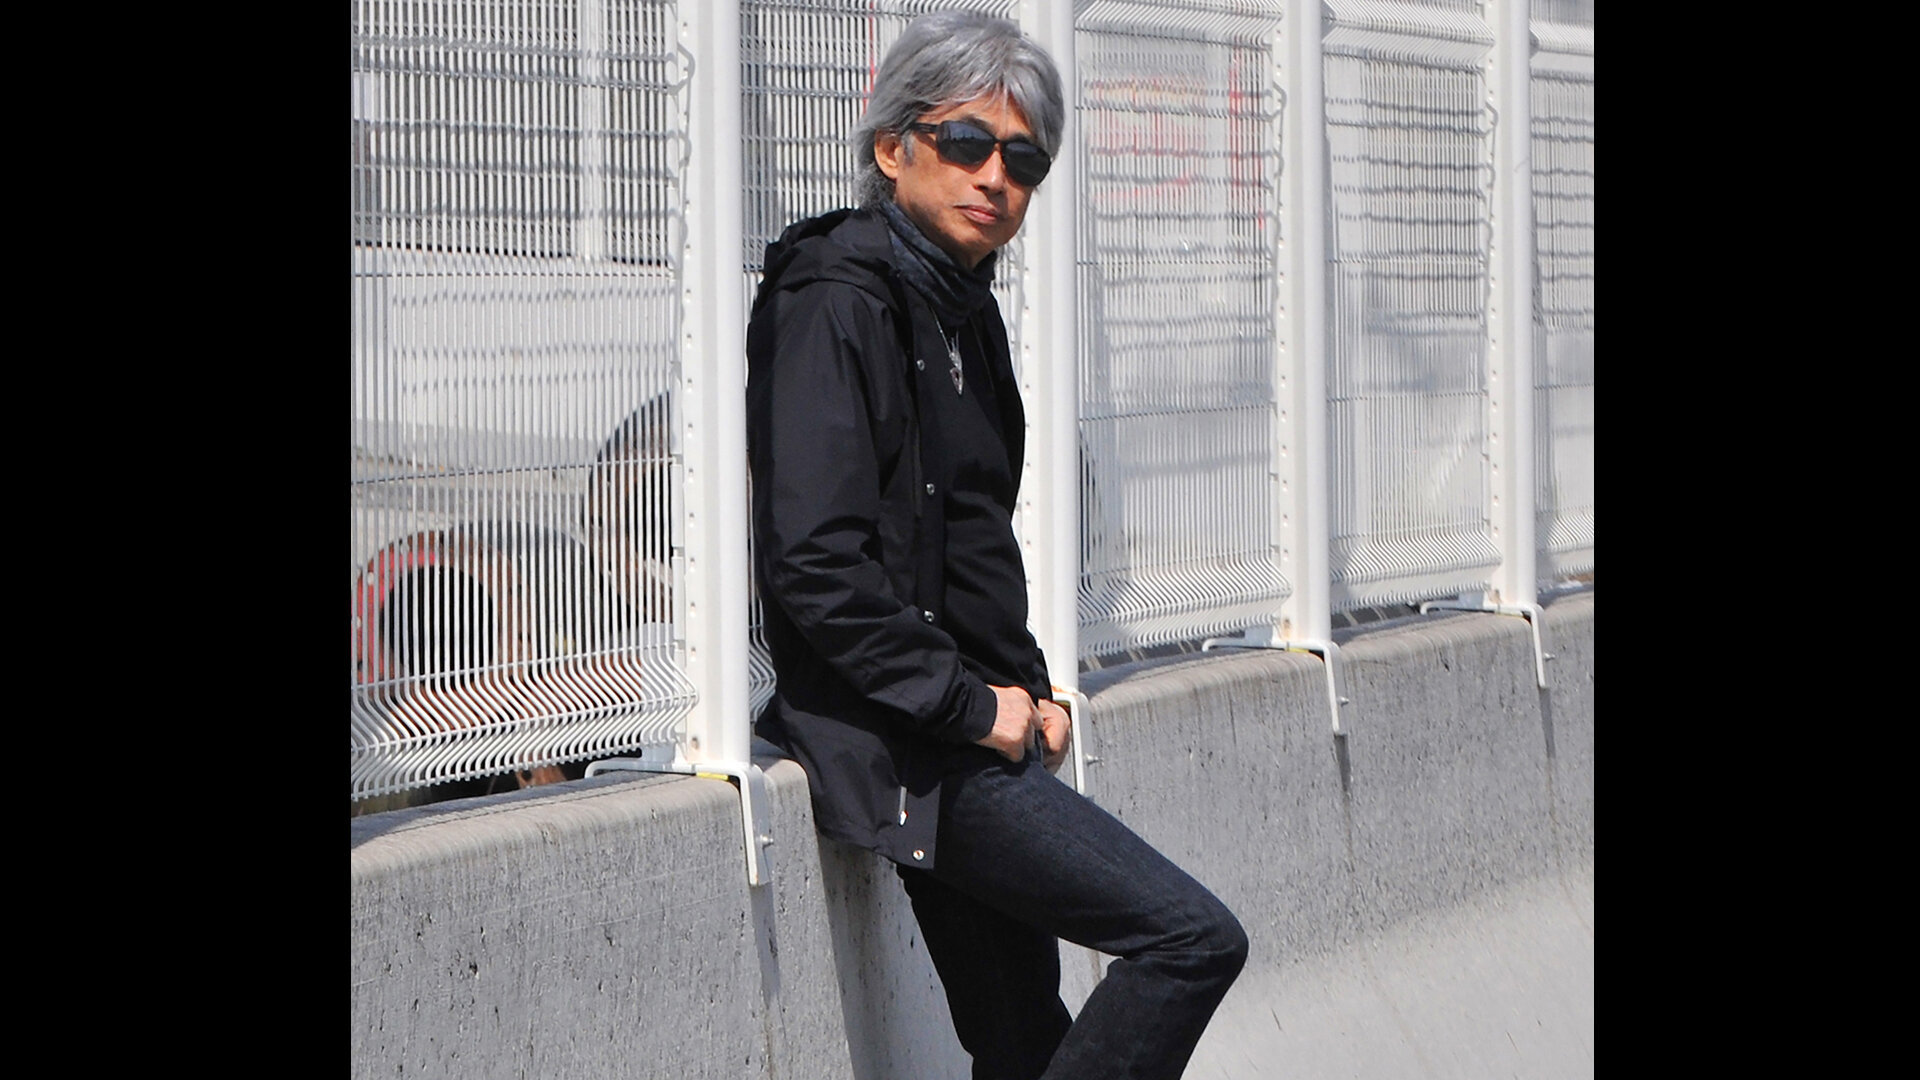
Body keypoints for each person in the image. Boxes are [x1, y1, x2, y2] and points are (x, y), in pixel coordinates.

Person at [745, 12, 1247, 1079]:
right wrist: (971, 707)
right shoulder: (835, 303)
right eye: (968, 143)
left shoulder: (962, 311)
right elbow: (815, 564)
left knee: (1023, 1044)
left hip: (962, 725)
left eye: (1024, 161)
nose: (996, 178)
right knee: (1192, 940)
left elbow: (970, 547)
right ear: (895, 148)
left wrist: (1032, 688)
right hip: (899, 739)